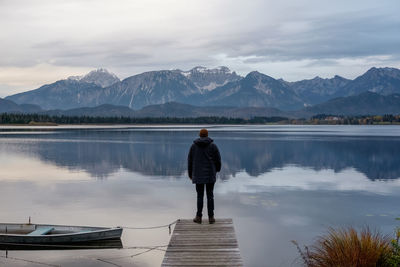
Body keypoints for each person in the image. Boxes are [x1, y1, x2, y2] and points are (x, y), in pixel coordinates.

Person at [187, 128, 221, 224]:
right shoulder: (213, 146)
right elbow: (218, 160)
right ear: (207, 135)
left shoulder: (193, 147)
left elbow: (189, 161)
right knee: (210, 196)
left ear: (199, 135)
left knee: (200, 196)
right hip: (210, 175)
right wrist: (217, 170)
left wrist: (190, 174)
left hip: (198, 175)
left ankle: (198, 217)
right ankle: (211, 217)